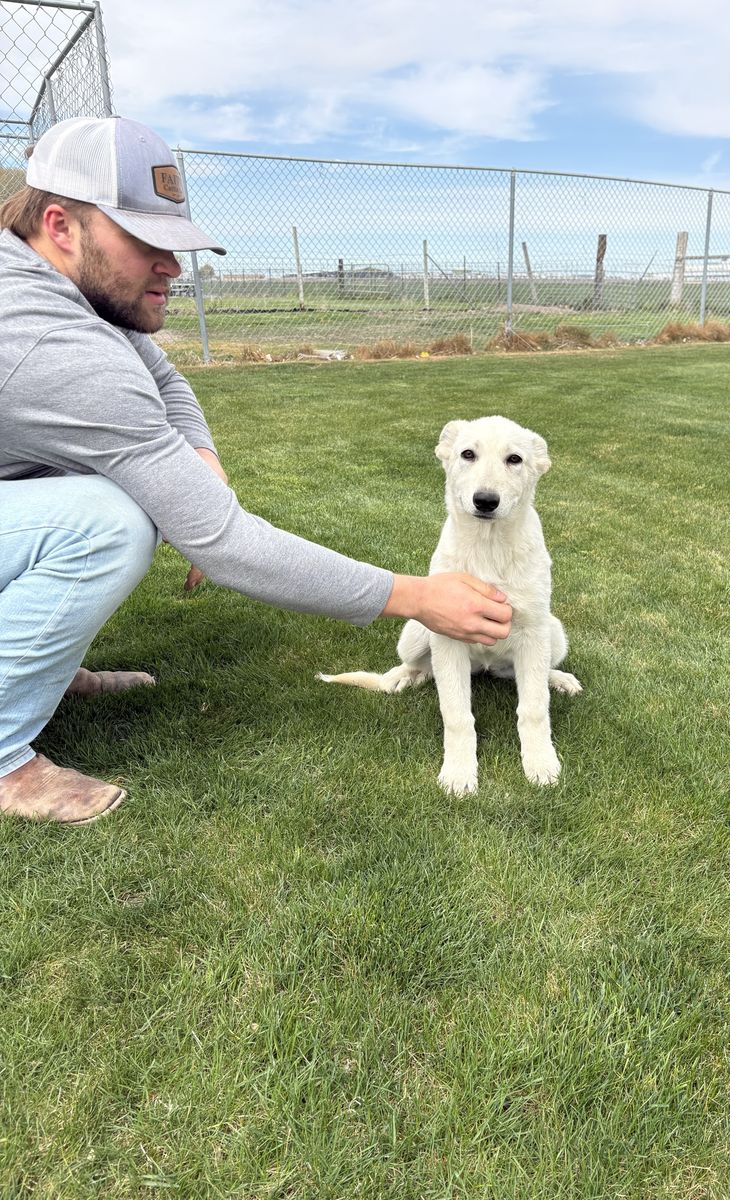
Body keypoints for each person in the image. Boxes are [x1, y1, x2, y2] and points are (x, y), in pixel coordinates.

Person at [0, 115, 512, 825]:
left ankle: (40, 669)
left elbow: (166, 381)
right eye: (145, 242)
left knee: (129, 493)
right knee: (108, 523)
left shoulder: (61, 285)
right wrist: (416, 596)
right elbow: (225, 543)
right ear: (61, 225)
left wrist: (204, 469)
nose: (173, 266)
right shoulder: (46, 340)